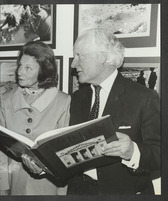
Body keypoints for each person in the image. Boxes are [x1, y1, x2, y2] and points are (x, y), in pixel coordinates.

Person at [67, 28, 160, 194]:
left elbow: (159, 153)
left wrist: (133, 151)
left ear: (101, 58)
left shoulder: (145, 98)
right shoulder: (77, 98)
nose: (73, 63)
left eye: (79, 56)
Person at [0, 41, 71, 195]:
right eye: (20, 66)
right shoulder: (6, 100)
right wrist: (2, 185)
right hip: (15, 183)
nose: (19, 72)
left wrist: (62, 192)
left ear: (43, 71)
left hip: (49, 185)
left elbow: (65, 152)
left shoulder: (63, 102)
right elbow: (1, 149)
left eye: (28, 68)